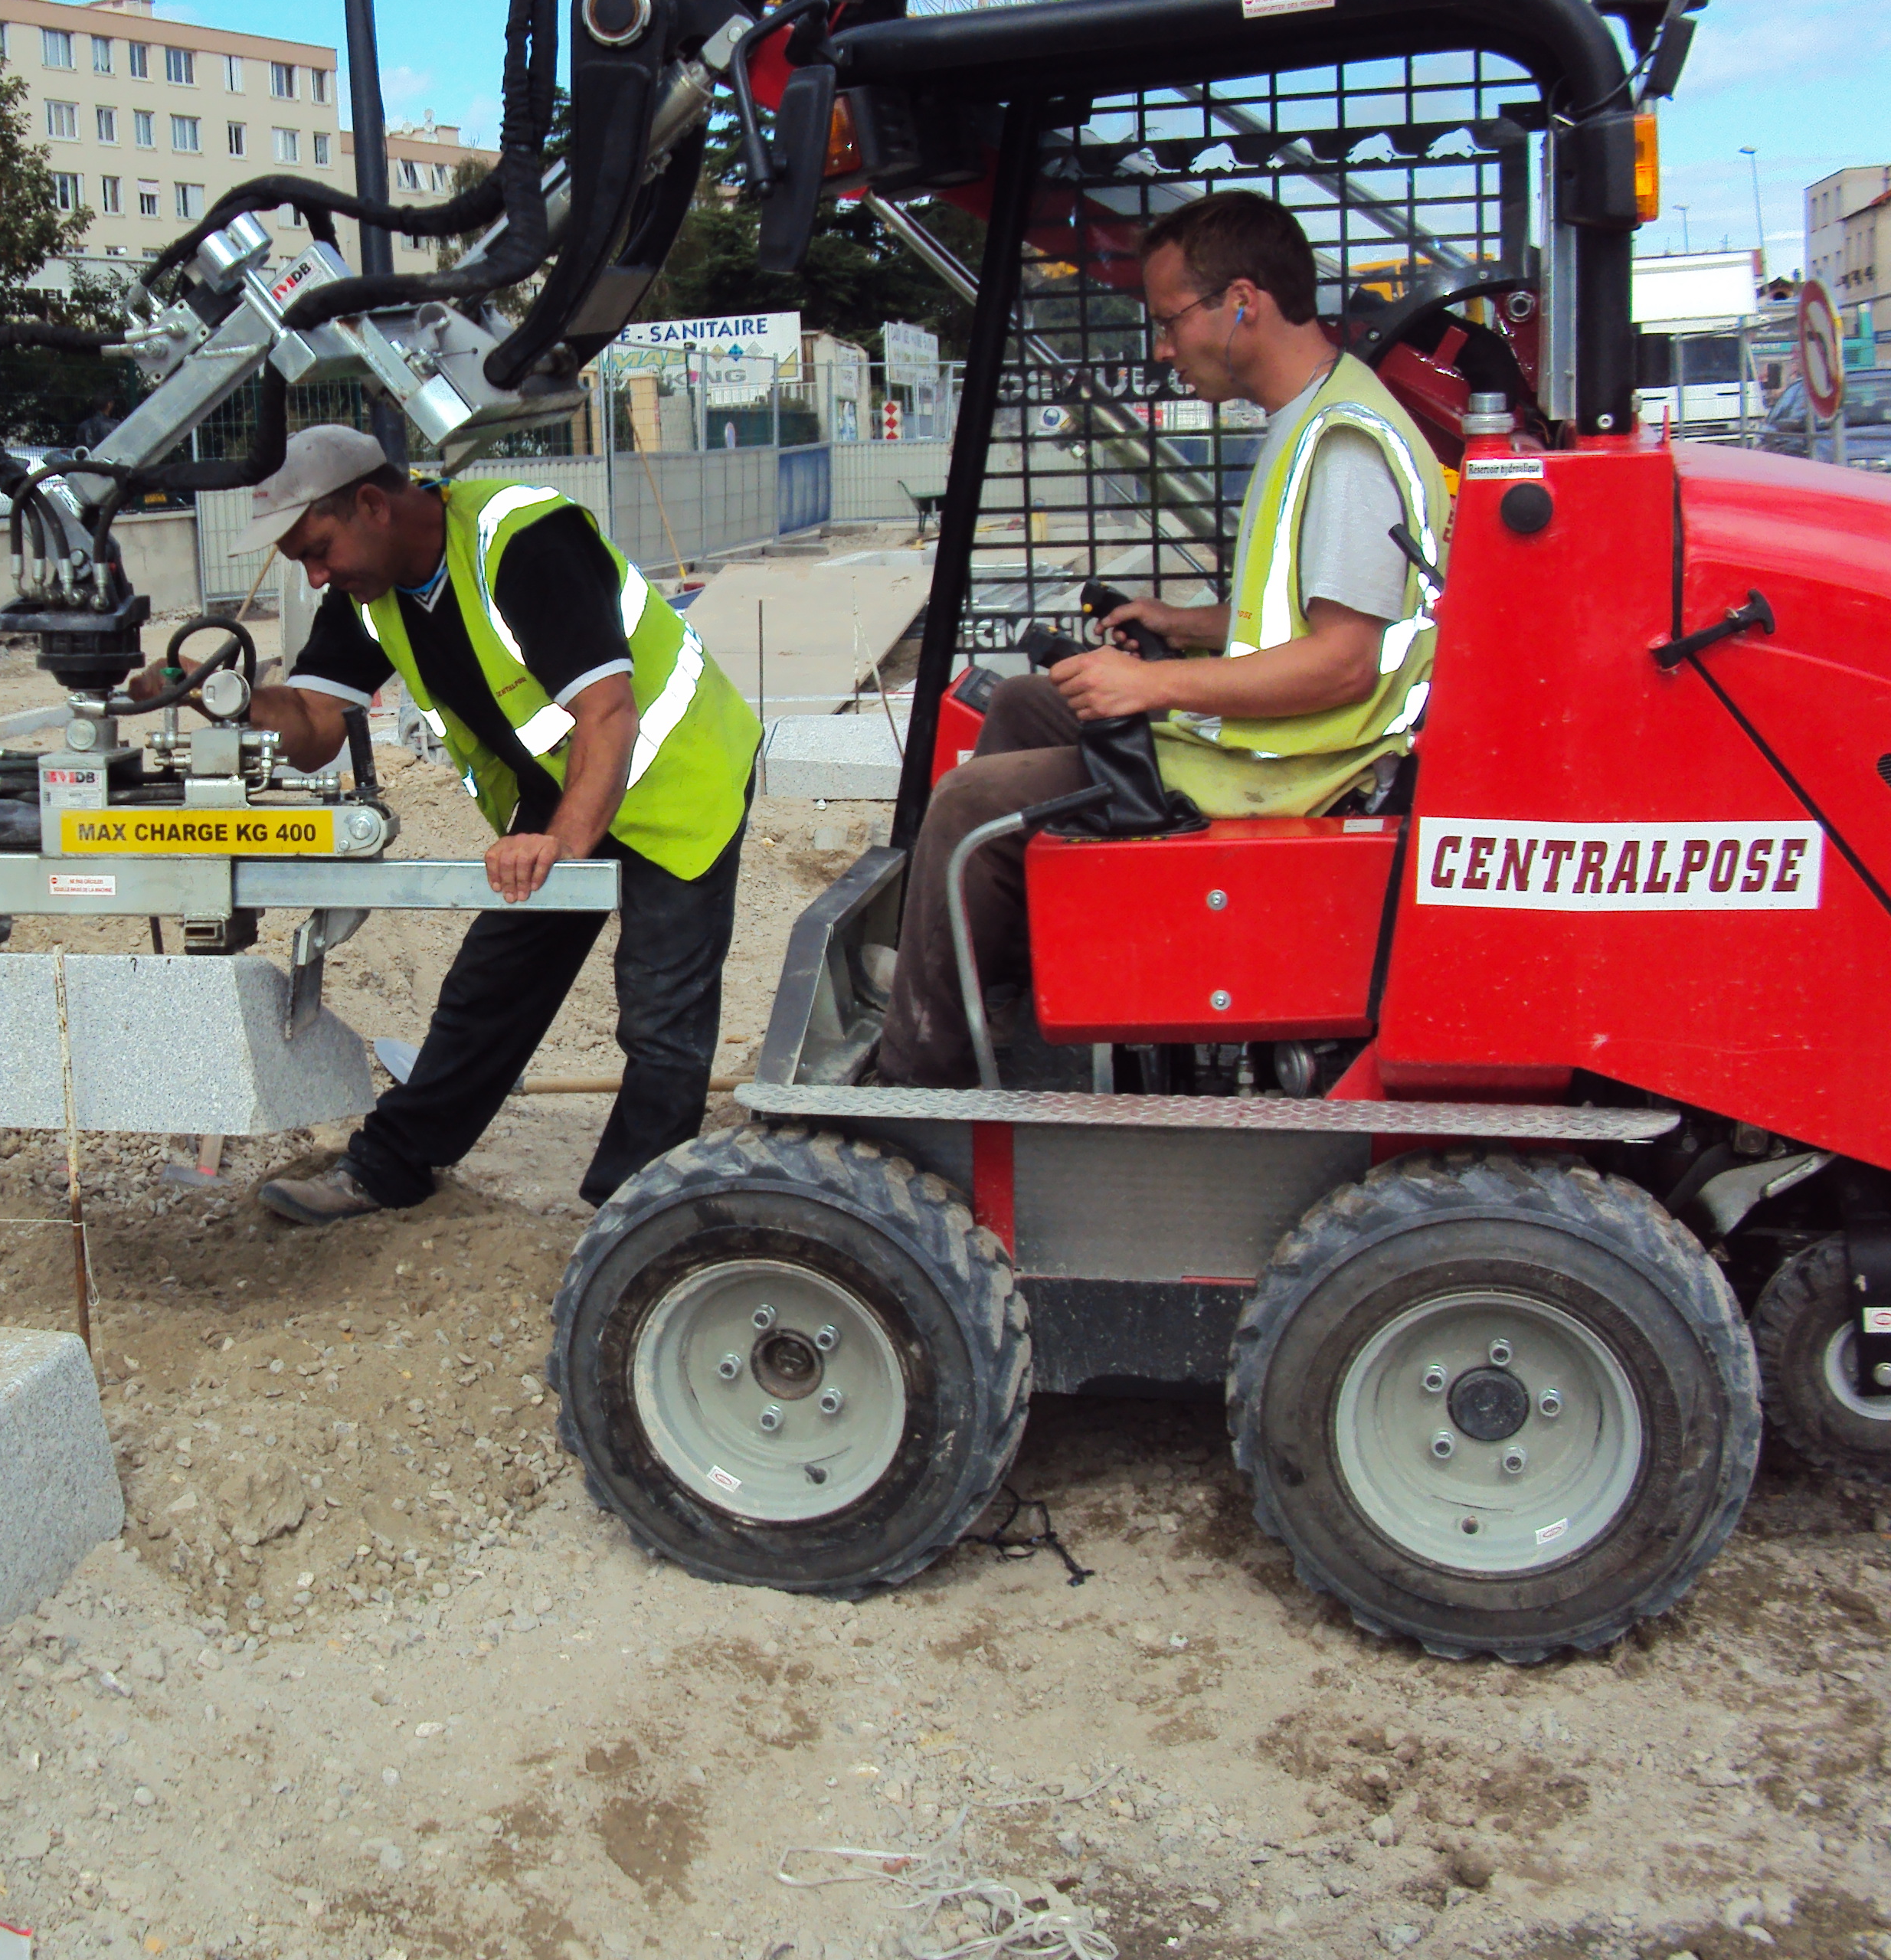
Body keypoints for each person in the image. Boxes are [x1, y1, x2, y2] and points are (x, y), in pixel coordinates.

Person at [877, 191, 1451, 1088]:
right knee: (1036, 702)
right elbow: (1310, 611)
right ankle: (1010, 983)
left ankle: (921, 1078)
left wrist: (1154, 686)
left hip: (1297, 772)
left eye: (1170, 319)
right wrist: (1185, 626)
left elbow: (1344, 659)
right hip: (1283, 746)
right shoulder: (1313, 418)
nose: (1162, 346)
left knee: (966, 807)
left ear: (1243, 304)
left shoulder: (1343, 449)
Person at [178, 425, 762, 1225]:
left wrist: (558, 843)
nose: (315, 575)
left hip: (678, 773)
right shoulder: (372, 594)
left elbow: (608, 710)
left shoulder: (522, 539)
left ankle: (631, 1219)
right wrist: (225, 697)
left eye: (318, 549)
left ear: (372, 505)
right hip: (566, 783)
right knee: (492, 986)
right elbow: (314, 726)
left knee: (661, 1010)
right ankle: (390, 1168)